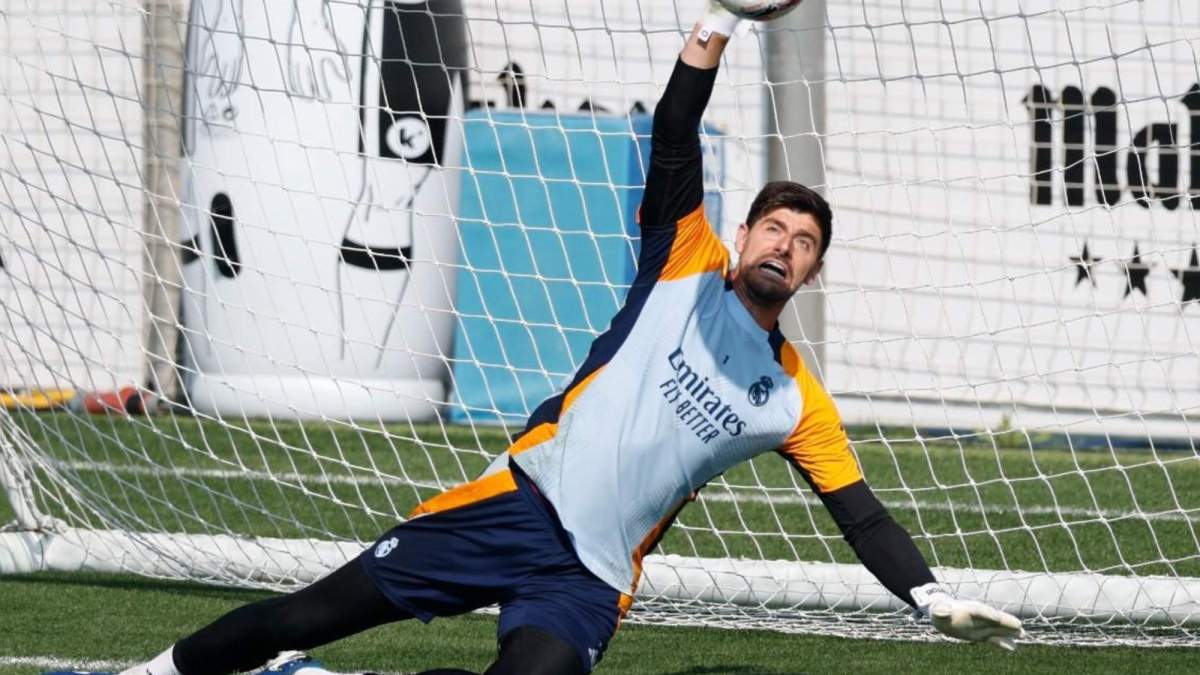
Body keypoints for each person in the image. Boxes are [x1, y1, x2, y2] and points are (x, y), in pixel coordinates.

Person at [48, 4, 1022, 675]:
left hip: (586, 579)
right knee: (304, 615)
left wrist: (928, 598)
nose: (786, 244)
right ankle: (161, 667)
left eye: (805, 243)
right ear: (743, 238)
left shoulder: (793, 398)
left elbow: (861, 518)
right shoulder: (683, 259)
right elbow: (676, 129)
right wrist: (718, 22)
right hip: (512, 508)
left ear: (810, 275)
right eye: (774, 227)